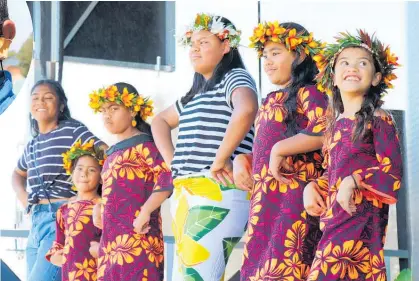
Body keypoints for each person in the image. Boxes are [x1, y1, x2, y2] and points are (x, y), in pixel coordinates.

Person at [152, 13, 258, 281]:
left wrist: (220, 159)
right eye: (192, 44)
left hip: (216, 189)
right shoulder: (195, 94)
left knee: (195, 276)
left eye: (204, 42)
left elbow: (247, 109)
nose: (195, 49)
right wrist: (172, 161)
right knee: (188, 274)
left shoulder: (234, 77)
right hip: (187, 191)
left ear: (225, 46)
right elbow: (159, 121)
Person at [304, 30, 402, 280]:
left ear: (377, 77)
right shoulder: (334, 127)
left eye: (363, 63)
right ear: (333, 78)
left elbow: (392, 175)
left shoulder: (379, 120)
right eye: (344, 62)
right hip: (333, 220)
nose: (353, 67)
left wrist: (355, 181)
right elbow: (334, 172)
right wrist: (313, 187)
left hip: (360, 223)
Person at [237, 21, 328, 281]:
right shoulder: (269, 100)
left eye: (276, 53)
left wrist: (279, 149)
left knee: (287, 268)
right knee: (258, 269)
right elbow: (266, 147)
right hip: (265, 203)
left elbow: (326, 130)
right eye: (265, 55)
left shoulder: (311, 93)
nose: (267, 61)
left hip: (294, 201)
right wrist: (243, 159)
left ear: (299, 55)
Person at [12, 80, 106, 281]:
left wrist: (92, 197)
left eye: (48, 97)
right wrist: (24, 198)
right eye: (35, 97)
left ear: (61, 105)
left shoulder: (72, 130)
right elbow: (17, 175)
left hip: (61, 216)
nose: (41, 102)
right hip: (36, 221)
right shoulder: (33, 144)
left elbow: (105, 153)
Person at [89, 83, 173, 281]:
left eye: (114, 109)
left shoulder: (145, 145)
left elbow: (168, 175)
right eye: (103, 110)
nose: (107, 115)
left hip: (138, 238)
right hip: (111, 243)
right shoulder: (111, 153)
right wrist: (98, 206)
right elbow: (114, 191)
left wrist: (145, 211)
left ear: (133, 111)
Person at [46, 139, 103, 281]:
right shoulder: (64, 209)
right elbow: (59, 242)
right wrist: (54, 256)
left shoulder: (104, 207)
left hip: (97, 274)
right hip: (69, 274)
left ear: (102, 177)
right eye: (79, 168)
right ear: (72, 172)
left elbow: (112, 239)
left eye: (92, 170)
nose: (84, 174)